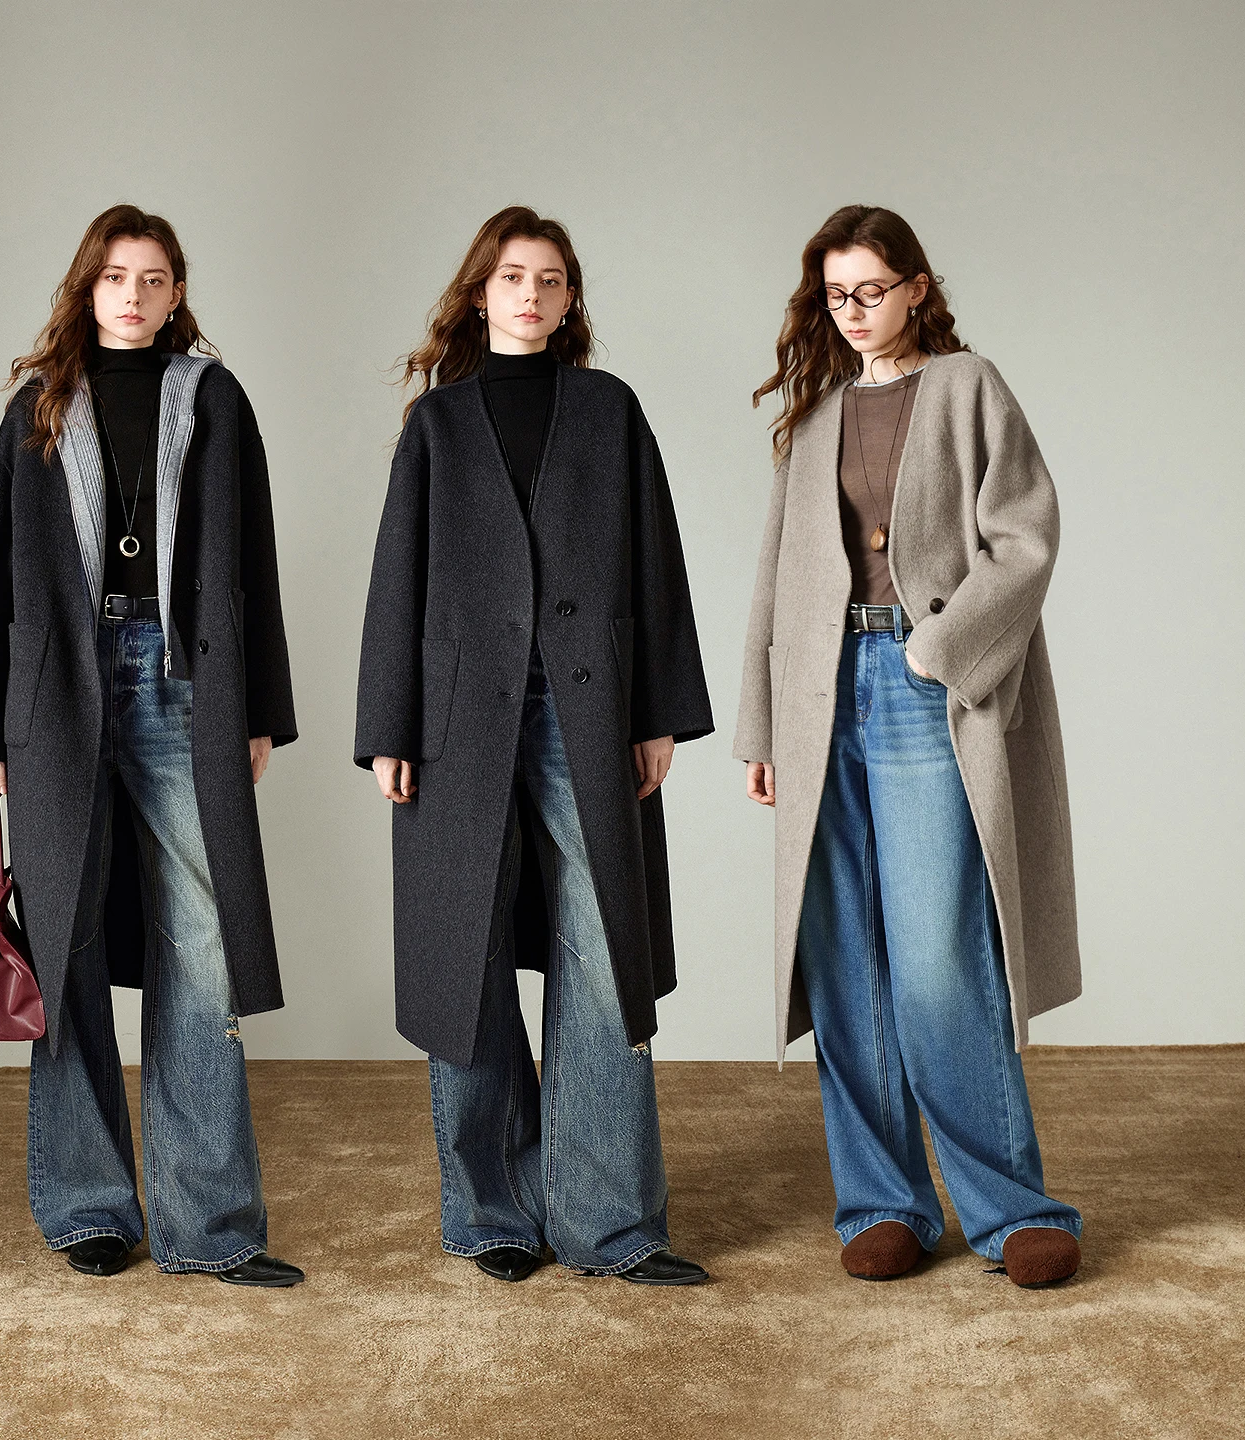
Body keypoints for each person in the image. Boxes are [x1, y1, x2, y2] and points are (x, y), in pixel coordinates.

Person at [355, 206, 714, 1285]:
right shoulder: (437, 424)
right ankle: (493, 1214)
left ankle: (613, 1226)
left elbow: (656, 562)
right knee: (462, 962)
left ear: (569, 302)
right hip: (457, 724)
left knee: (602, 954)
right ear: (480, 294)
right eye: (513, 276)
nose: (531, 294)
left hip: (587, 714)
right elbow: (396, 580)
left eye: (551, 280)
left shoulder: (610, 410)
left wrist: (659, 712)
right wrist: (388, 728)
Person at [733, 204, 1084, 1288]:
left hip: (920, 683)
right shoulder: (815, 415)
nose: (852, 312)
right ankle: (883, 1203)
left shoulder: (969, 386)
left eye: (871, 291)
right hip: (818, 691)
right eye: (835, 295)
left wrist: (938, 652)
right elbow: (777, 576)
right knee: (843, 953)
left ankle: (1011, 1210)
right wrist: (760, 723)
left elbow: (1025, 535)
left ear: (917, 288)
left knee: (937, 954)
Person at [0, 204, 303, 1286]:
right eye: (116, 277)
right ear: (88, 286)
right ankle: (88, 1208)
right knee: (63, 942)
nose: (134, 296)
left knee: (200, 944)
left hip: (182, 678)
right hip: (56, 688)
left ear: (176, 292)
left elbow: (254, 558)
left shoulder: (215, 398)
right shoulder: (38, 406)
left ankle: (211, 1228)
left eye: (154, 279)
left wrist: (259, 708)